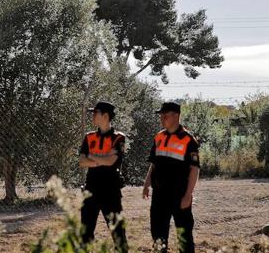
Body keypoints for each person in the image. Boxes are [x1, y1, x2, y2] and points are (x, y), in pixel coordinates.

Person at [143, 102, 200, 253]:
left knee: (184, 235)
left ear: (176, 116)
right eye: (161, 115)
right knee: (158, 233)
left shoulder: (189, 140)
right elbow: (154, 163)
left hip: (179, 195)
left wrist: (188, 195)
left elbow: (194, 169)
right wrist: (147, 183)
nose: (162, 118)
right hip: (159, 195)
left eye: (165, 115)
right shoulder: (159, 137)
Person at [78, 101, 129, 252]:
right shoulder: (89, 137)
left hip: (111, 191)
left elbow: (112, 161)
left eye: (96, 113)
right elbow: (81, 162)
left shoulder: (118, 138)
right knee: (85, 233)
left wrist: (92, 157)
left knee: (118, 232)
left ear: (105, 116)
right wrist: (102, 161)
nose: (93, 116)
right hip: (91, 189)